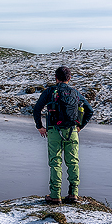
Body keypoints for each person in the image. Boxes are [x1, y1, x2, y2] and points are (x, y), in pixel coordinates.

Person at [32, 66, 94, 205]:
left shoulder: (50, 91)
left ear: (56, 78)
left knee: (55, 163)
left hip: (54, 130)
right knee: (73, 162)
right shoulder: (75, 92)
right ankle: (73, 194)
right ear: (69, 78)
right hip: (72, 131)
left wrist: (40, 127)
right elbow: (89, 110)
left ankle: (55, 195)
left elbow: (36, 109)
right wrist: (79, 127)